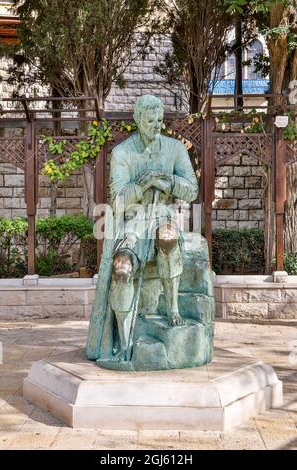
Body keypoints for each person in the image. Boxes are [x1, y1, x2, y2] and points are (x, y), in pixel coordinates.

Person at [86, 94, 198, 364]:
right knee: (121, 267)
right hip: (133, 221)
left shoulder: (175, 149)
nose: (157, 126)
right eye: (151, 121)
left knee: (168, 238)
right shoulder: (122, 153)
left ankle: (172, 307)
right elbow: (119, 201)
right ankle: (124, 341)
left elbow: (192, 190)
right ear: (138, 120)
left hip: (162, 215)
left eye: (160, 120)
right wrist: (143, 185)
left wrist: (167, 181)